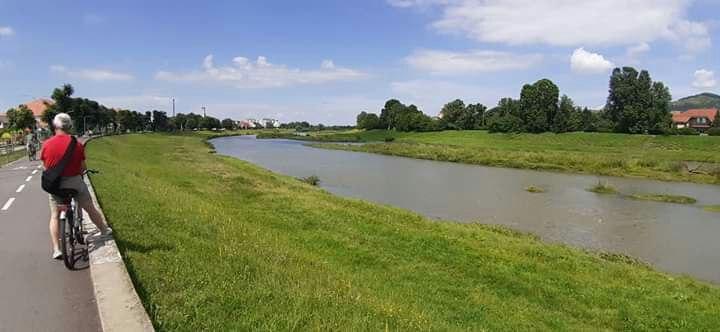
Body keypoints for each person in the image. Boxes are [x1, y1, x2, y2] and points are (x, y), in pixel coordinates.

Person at [40, 113, 112, 260]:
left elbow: (45, 167)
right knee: (89, 207)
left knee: (54, 215)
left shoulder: (46, 144)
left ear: (55, 126)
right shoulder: (77, 144)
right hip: (74, 182)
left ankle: (57, 249)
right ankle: (104, 230)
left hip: (56, 186)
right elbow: (82, 168)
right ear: (69, 126)